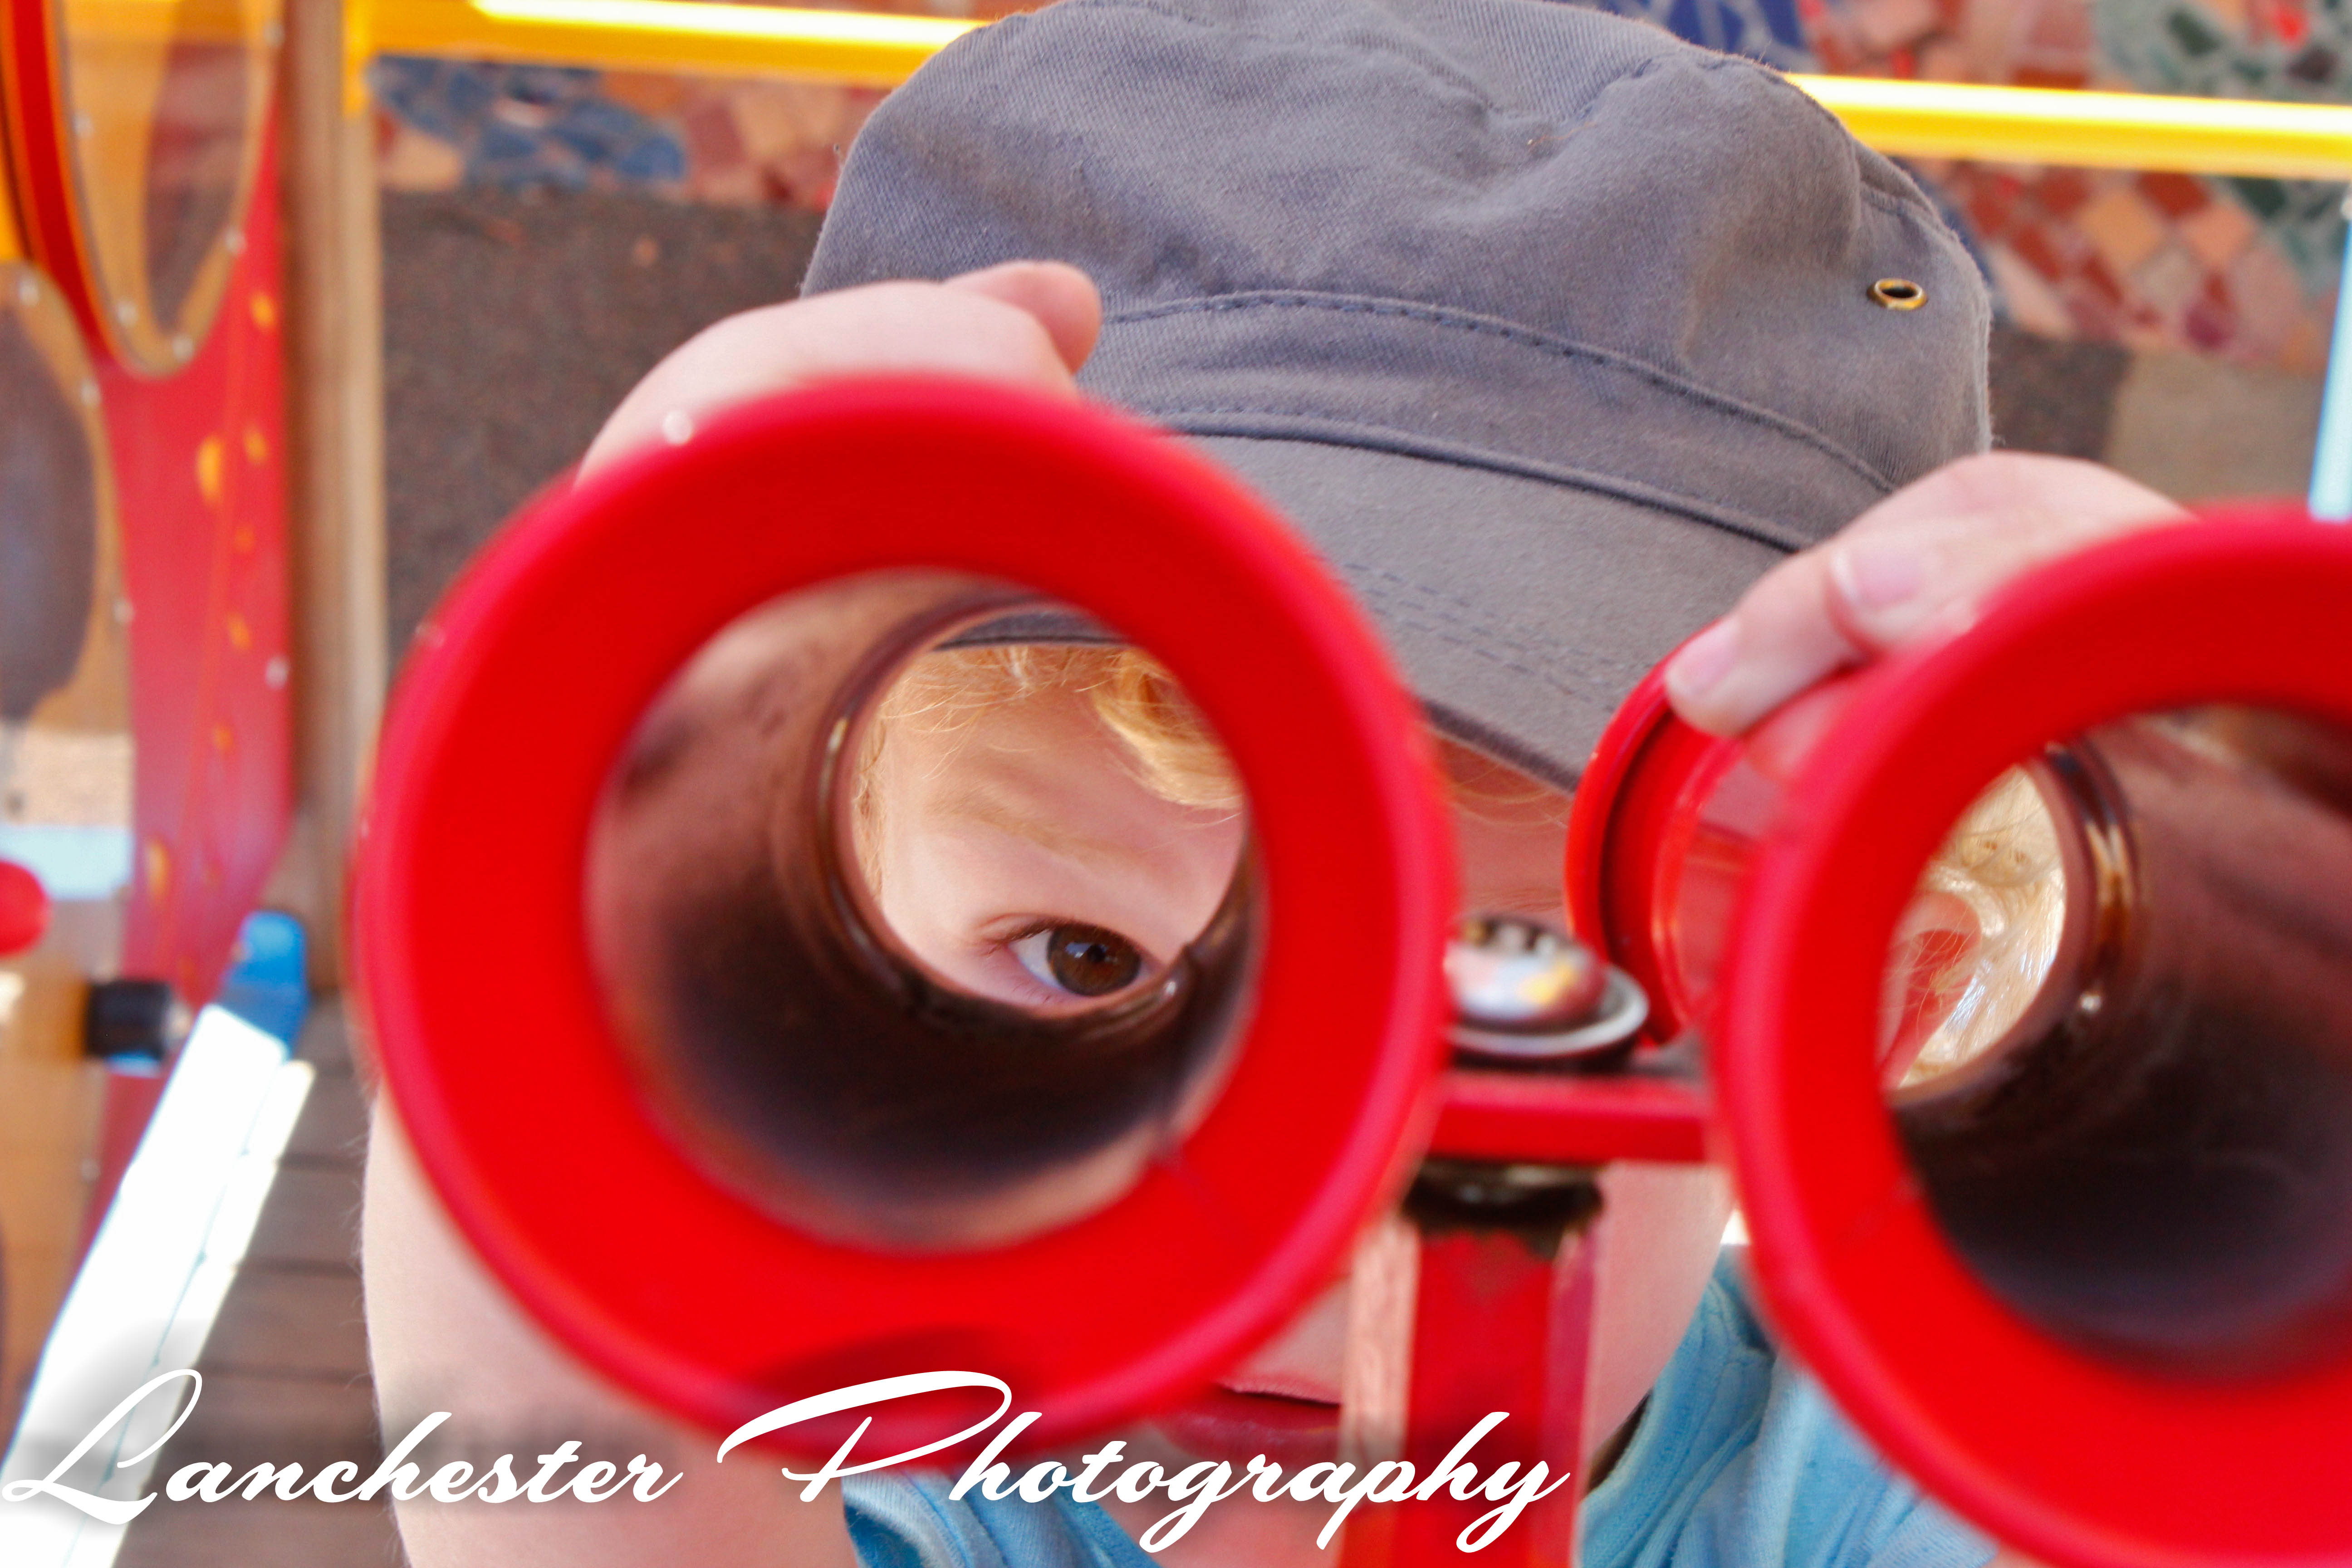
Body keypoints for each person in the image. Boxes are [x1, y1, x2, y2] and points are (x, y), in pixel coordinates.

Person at [362, 1, 2194, 1565]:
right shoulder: (886, 1480)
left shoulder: (1916, 1491)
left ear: (1880, 1021)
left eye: (1518, 998)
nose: (1304, 1211)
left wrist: (2227, 960)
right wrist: (583, 767)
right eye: (1087, 962)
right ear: (775, 942)